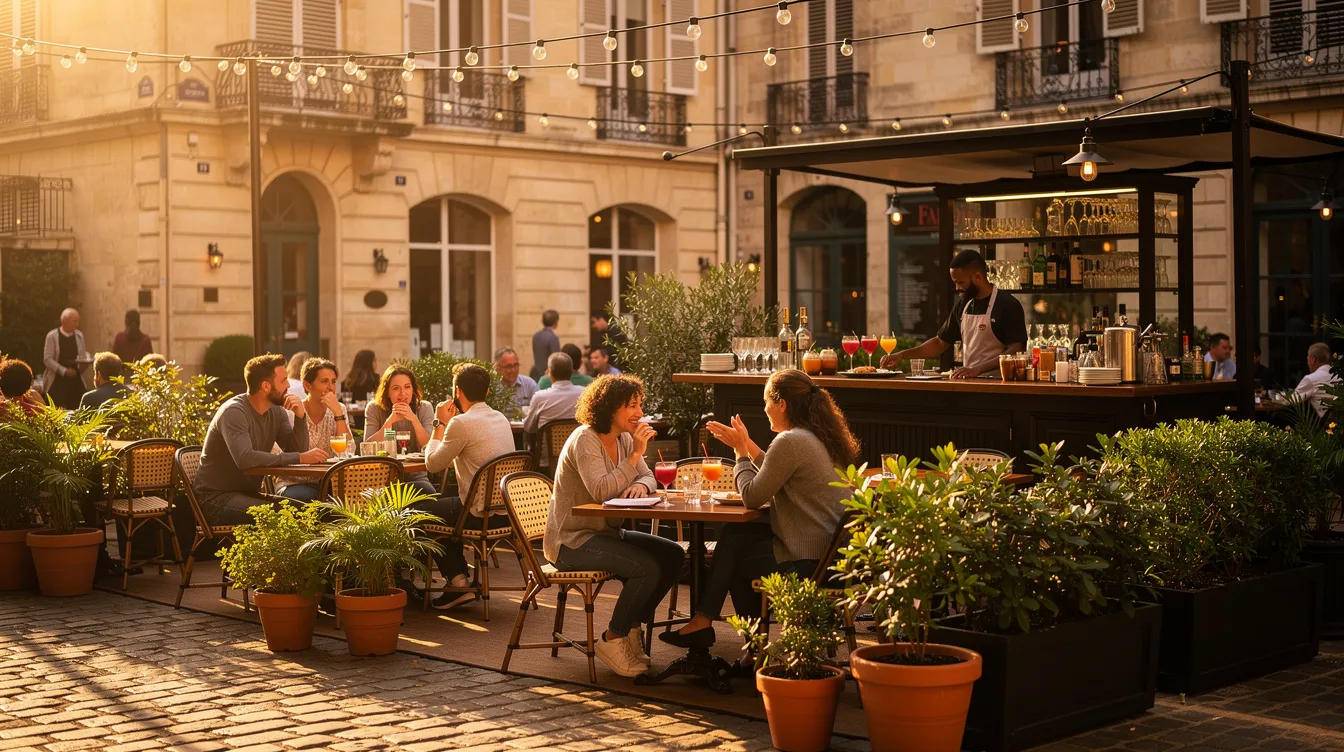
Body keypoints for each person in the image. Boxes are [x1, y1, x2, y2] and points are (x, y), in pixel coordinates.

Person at [663, 369, 857, 649]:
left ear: (782, 404)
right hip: (831, 559)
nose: (764, 409)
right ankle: (723, 634)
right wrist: (746, 444)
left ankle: (737, 639)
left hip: (808, 563)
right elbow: (778, 469)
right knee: (736, 538)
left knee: (735, 555)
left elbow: (752, 497)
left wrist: (741, 454)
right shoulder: (816, 437)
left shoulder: (790, 441)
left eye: (766, 401)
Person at [544, 374, 685, 677]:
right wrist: (635, 455)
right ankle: (612, 637)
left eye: (640, 404)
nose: (639, 412)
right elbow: (601, 491)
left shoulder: (623, 439)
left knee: (673, 554)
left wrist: (641, 486)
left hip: (607, 533)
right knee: (646, 567)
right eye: (632, 405)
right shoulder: (585, 439)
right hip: (572, 542)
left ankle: (631, 626)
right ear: (610, 408)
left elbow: (647, 476)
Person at [417, 363, 518, 608]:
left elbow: (432, 464)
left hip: (478, 515)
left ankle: (458, 582)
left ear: (457, 391)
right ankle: (459, 580)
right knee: (445, 508)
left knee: (419, 512)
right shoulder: (500, 418)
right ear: (487, 391)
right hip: (507, 512)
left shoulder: (461, 423)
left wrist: (439, 424)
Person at [194, 354, 326, 526]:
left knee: (310, 511)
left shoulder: (276, 412)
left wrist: (300, 417)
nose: (288, 385)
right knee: (283, 516)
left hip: (248, 494)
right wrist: (300, 457)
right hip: (215, 498)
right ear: (266, 386)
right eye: (284, 380)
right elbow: (245, 458)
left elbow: (296, 450)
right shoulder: (234, 412)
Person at [881, 250, 1026, 379]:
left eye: (960, 282)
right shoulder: (963, 305)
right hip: (969, 381)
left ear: (977, 277)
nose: (957, 288)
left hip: (999, 383)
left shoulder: (1008, 305)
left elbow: (1016, 350)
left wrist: (977, 369)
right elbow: (940, 343)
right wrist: (902, 354)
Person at [273, 358, 354, 502]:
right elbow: (277, 453)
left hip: (329, 482)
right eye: (324, 381)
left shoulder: (339, 409)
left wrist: (338, 414)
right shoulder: (291, 411)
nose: (331, 388)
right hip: (293, 483)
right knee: (313, 498)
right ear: (307, 385)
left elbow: (348, 451)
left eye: (333, 381)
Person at [362, 365, 436, 494]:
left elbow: (431, 448)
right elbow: (367, 449)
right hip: (381, 480)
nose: (402, 393)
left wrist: (413, 419)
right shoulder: (374, 408)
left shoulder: (424, 408)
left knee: (428, 493)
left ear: (413, 389)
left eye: (407, 387)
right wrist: (389, 422)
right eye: (396, 388)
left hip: (416, 478)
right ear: (387, 392)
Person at [42, 307, 87, 409]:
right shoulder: (52, 336)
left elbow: (82, 357)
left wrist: (84, 364)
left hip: (75, 381)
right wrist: (64, 371)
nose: (77, 324)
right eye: (74, 321)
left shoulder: (79, 336)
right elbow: (47, 359)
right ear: (64, 321)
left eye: (77, 321)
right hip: (57, 381)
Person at [1294, 342, 1339, 417]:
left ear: (1313, 359)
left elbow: (1290, 400)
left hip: (1327, 422)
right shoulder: (1338, 376)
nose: (1307, 362)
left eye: (1308, 357)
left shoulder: (1311, 379)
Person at [494, 347, 538, 411]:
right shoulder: (492, 387)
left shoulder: (529, 384)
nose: (513, 370)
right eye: (508, 366)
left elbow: (539, 409)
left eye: (516, 365)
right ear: (498, 368)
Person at [530, 309, 561, 381]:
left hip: (536, 373)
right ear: (556, 322)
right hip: (548, 376)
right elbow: (556, 360)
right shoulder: (553, 337)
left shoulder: (536, 336)